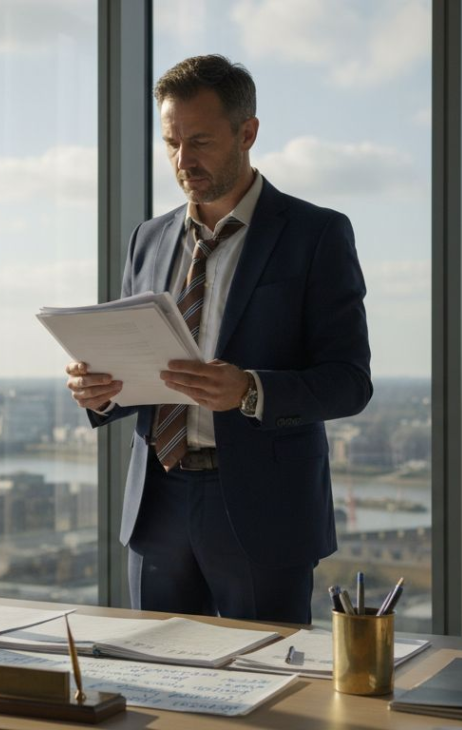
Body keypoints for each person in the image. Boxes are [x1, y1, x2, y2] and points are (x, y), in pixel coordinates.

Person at [66, 55, 372, 624]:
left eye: (201, 141)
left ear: (248, 132)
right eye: (172, 143)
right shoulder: (148, 238)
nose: (184, 161)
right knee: (156, 685)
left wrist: (249, 390)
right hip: (157, 502)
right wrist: (99, 389)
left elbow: (350, 383)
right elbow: (136, 367)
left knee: (267, 692)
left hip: (264, 510)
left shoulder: (316, 234)